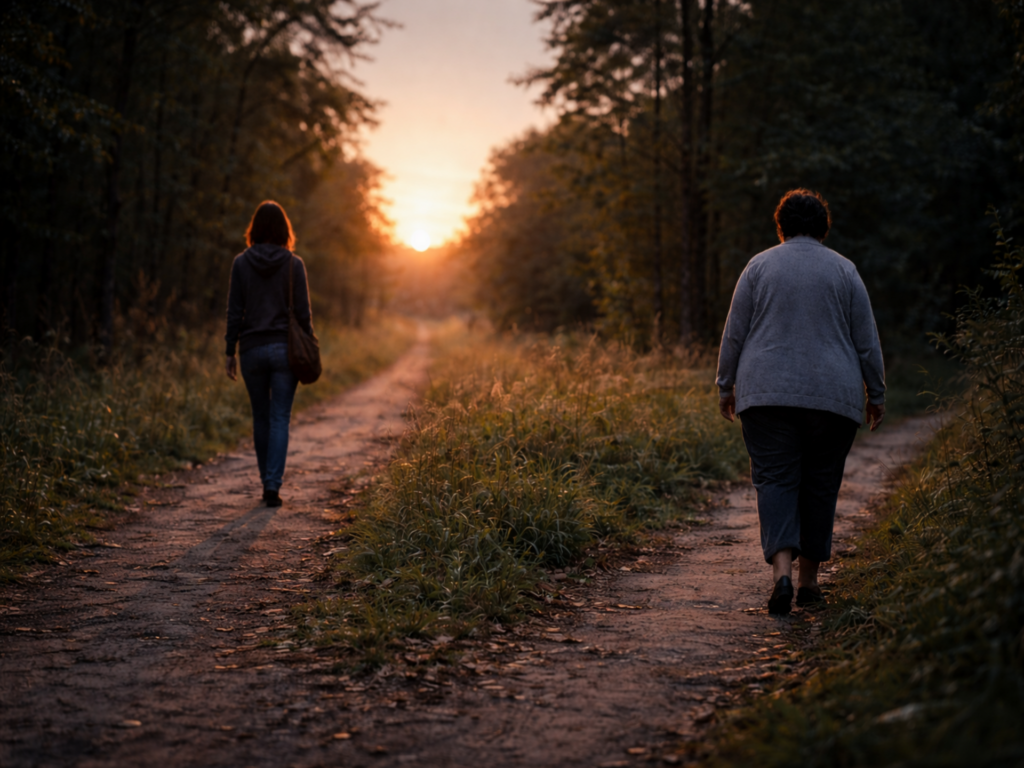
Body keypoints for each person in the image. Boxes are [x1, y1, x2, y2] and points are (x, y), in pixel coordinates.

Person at [715, 189, 885, 615]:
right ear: (823, 227)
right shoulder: (845, 271)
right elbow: (867, 341)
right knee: (820, 483)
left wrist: (725, 384)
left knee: (774, 480)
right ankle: (810, 582)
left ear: (781, 226)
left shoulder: (758, 266)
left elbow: (734, 332)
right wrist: (876, 393)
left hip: (766, 395)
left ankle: (783, 575)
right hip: (833, 398)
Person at [224, 200, 314, 508]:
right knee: (279, 418)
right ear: (284, 230)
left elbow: (235, 311)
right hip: (284, 351)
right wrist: (310, 346)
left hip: (250, 350)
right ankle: (272, 486)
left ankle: (266, 481)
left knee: (260, 417)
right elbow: (303, 315)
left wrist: (229, 351)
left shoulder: (240, 263)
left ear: (255, 229)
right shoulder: (294, 264)